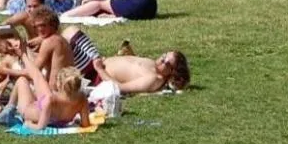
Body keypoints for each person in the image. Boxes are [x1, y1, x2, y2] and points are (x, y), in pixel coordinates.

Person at [60, 27, 191, 94]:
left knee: (61, 44)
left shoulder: (153, 79)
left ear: (171, 73)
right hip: (96, 62)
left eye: (166, 63)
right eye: (164, 56)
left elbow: (120, 88)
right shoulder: (153, 65)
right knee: (69, 33)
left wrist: (100, 69)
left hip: (92, 74)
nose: (161, 60)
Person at [11, 46, 91, 131]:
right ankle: (24, 54)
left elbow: (40, 127)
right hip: (48, 112)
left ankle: (8, 109)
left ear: (59, 84)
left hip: (28, 111)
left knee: (22, 80)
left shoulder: (51, 99)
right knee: (38, 78)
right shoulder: (82, 98)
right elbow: (85, 124)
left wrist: (28, 124)